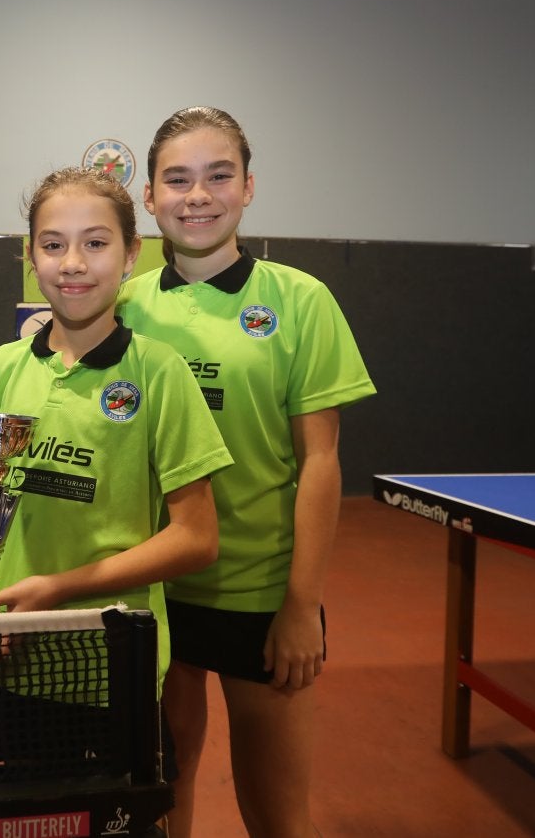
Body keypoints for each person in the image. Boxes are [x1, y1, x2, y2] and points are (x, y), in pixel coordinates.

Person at [117, 107, 377, 838]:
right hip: (155, 589)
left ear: (248, 187)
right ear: (150, 197)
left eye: (217, 175)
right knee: (164, 798)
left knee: (276, 814)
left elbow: (320, 461)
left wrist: (302, 604)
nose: (197, 194)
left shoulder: (301, 300)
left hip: (259, 591)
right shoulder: (123, 304)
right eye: (178, 178)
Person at [0, 165, 233, 772]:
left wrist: (59, 589)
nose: (73, 262)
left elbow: (198, 539)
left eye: (96, 243)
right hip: (11, 661)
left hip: (113, 666)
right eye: (53, 244)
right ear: (30, 256)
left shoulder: (160, 372)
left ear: (131, 256)